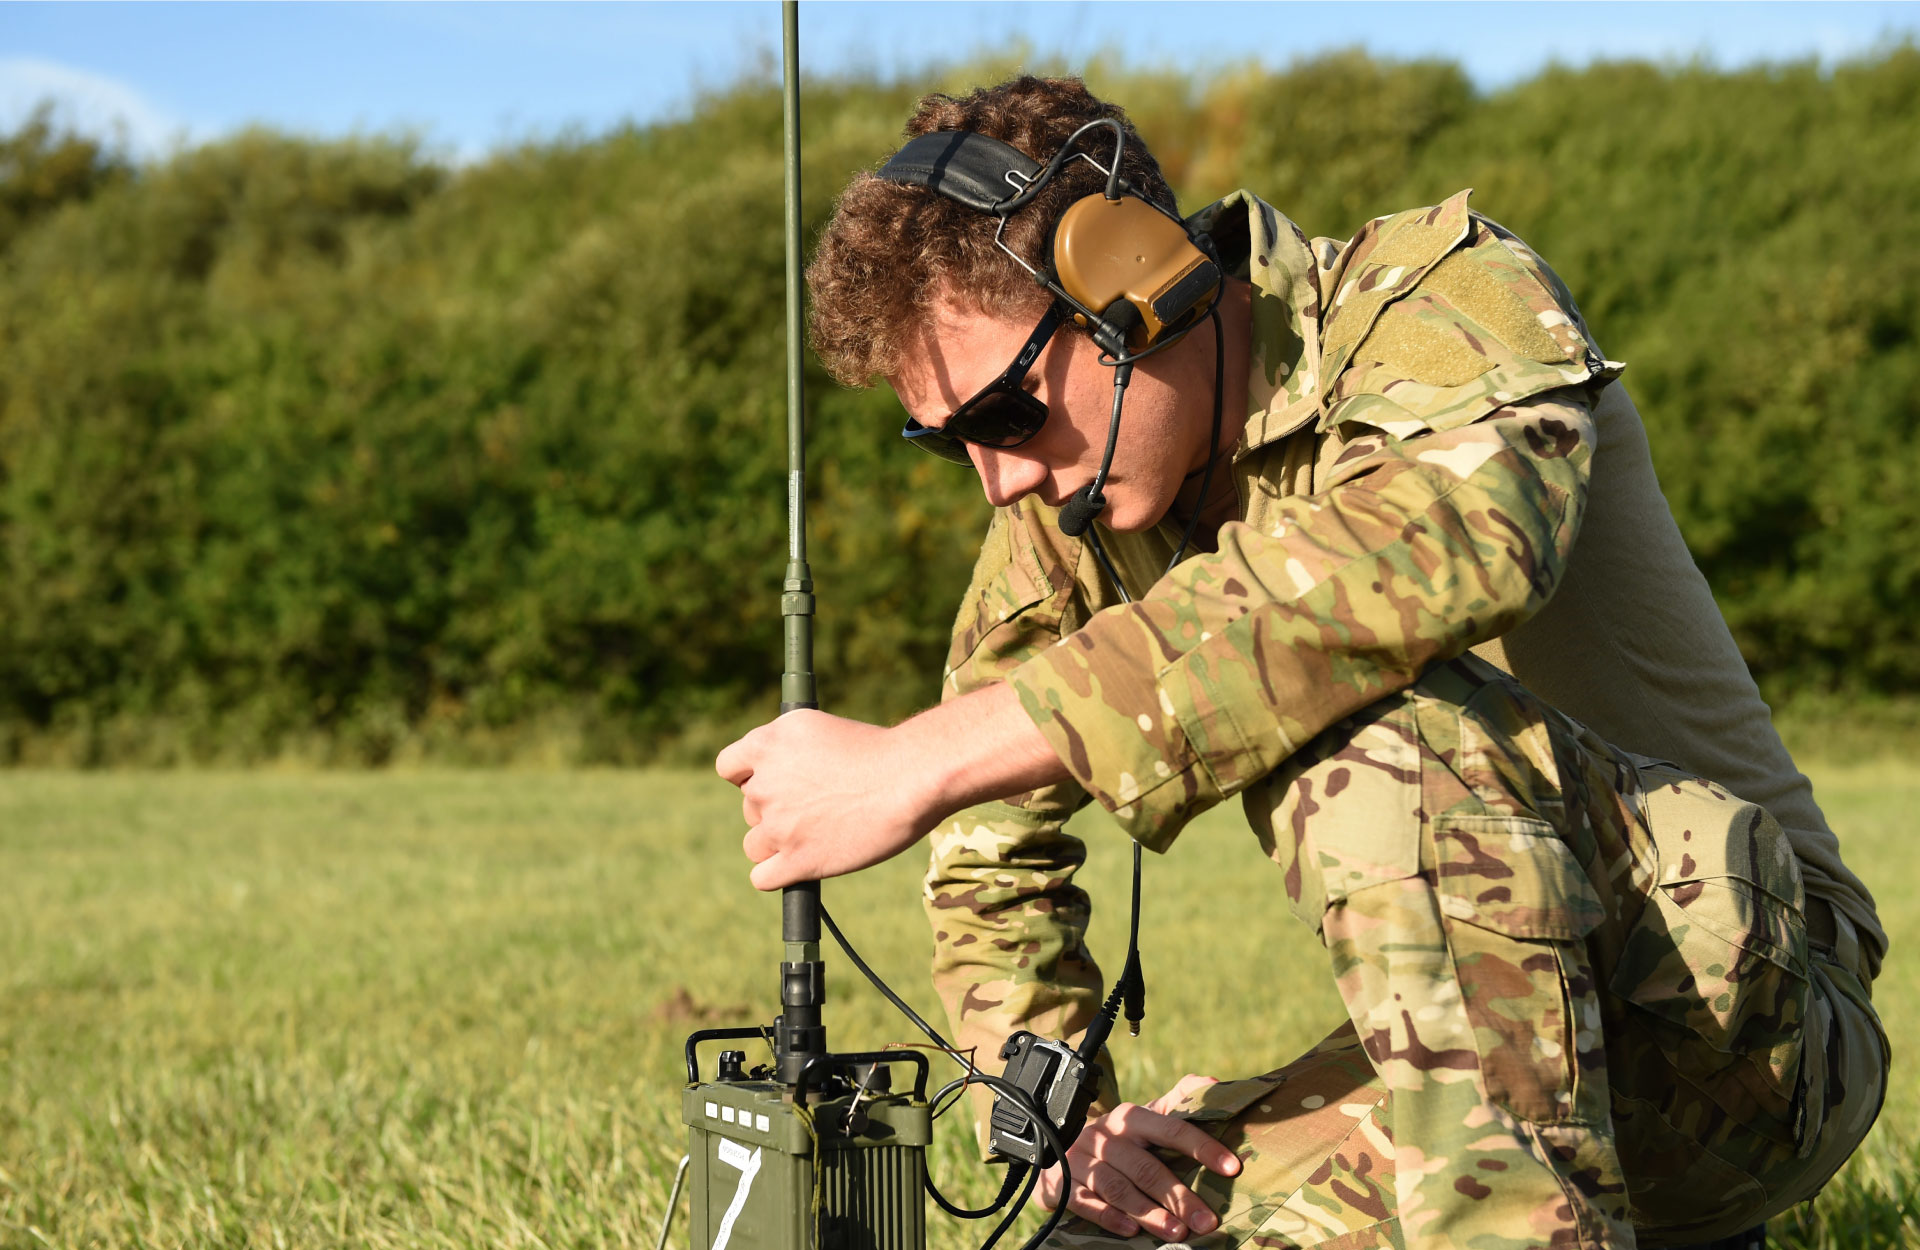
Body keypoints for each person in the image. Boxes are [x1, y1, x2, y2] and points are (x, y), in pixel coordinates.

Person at [715, 76, 1887, 1250]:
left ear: (1134, 282)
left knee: (1380, 733)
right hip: (1508, 1069)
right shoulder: (1064, 518)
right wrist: (1057, 1119)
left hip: (1747, 1023)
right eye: (948, 438)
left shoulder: (1431, 299)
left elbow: (1440, 553)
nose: (1000, 478)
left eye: (1011, 415)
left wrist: (922, 757)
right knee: (1128, 1229)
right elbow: (989, 865)